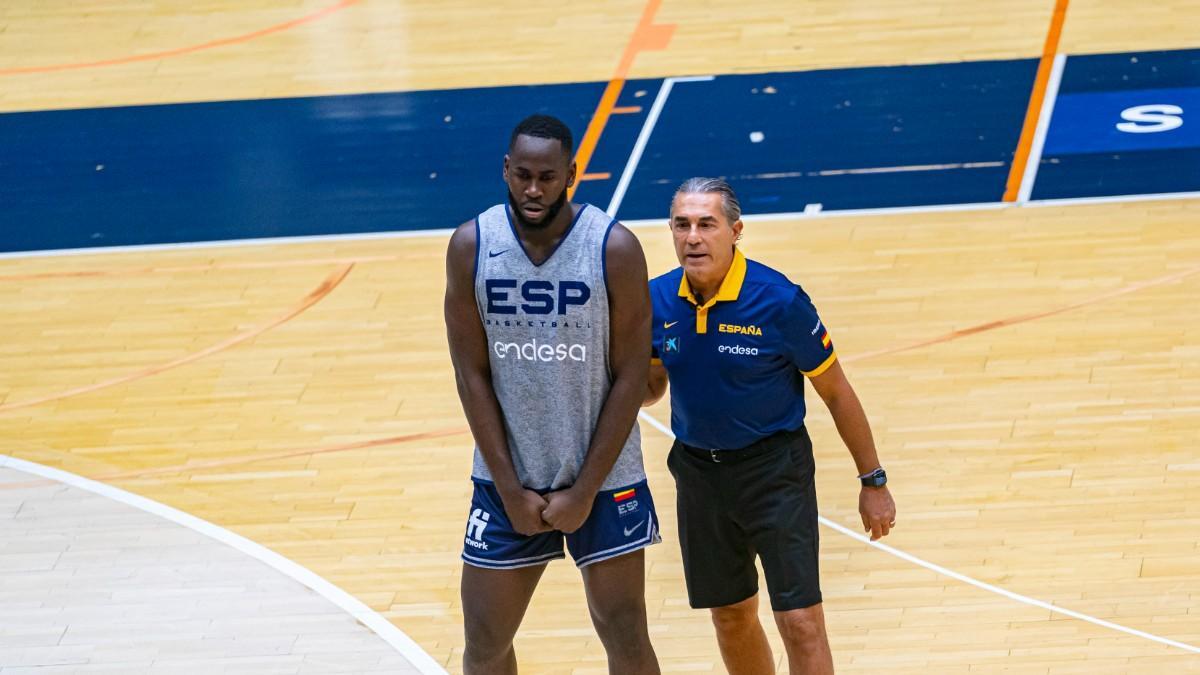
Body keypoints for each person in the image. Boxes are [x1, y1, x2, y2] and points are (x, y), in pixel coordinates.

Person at [643, 177, 896, 674]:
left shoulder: (779, 302)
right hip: (699, 476)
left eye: (706, 224)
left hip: (774, 474)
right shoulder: (655, 301)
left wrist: (874, 481)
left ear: (735, 231)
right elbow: (653, 386)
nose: (693, 237)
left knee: (801, 621)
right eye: (682, 225)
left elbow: (837, 392)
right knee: (730, 616)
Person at [444, 114, 661, 675]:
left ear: (572, 174)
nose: (533, 189)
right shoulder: (472, 244)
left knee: (626, 634)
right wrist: (512, 490)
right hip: (506, 483)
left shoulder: (613, 248)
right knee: (485, 640)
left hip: (606, 480)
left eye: (547, 176)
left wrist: (585, 490)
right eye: (522, 175)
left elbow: (632, 375)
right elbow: (471, 374)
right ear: (506, 170)